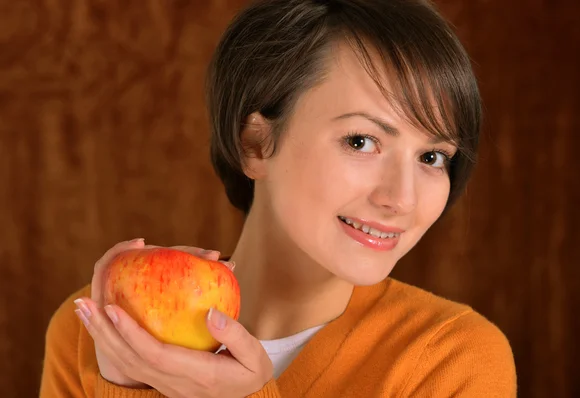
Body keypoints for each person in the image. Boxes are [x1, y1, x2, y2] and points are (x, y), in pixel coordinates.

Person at [39, 0, 517, 396]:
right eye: (361, 141)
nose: (402, 199)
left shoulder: (453, 361)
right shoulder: (100, 332)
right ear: (256, 144)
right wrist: (126, 384)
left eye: (433, 157)